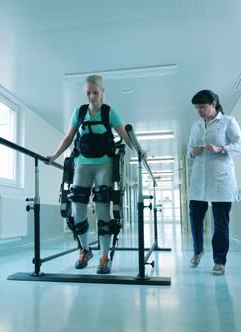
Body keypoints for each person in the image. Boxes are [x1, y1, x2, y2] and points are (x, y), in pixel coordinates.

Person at [46, 75, 144, 274]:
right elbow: (68, 137)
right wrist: (55, 155)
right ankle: (85, 250)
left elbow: (126, 136)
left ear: (103, 92)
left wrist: (139, 151)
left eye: (95, 93)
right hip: (82, 164)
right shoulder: (79, 112)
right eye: (88, 93)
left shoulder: (110, 113)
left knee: (102, 210)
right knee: (77, 211)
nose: (91, 97)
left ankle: (105, 257)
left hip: (104, 165)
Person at [187, 89, 241, 275]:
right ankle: (198, 251)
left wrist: (220, 148)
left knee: (220, 223)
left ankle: (219, 260)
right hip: (199, 181)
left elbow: (240, 145)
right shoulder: (196, 126)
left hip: (221, 180)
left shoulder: (228, 122)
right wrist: (192, 152)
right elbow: (188, 149)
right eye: (196, 108)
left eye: (202, 107)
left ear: (214, 104)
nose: (199, 111)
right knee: (195, 219)